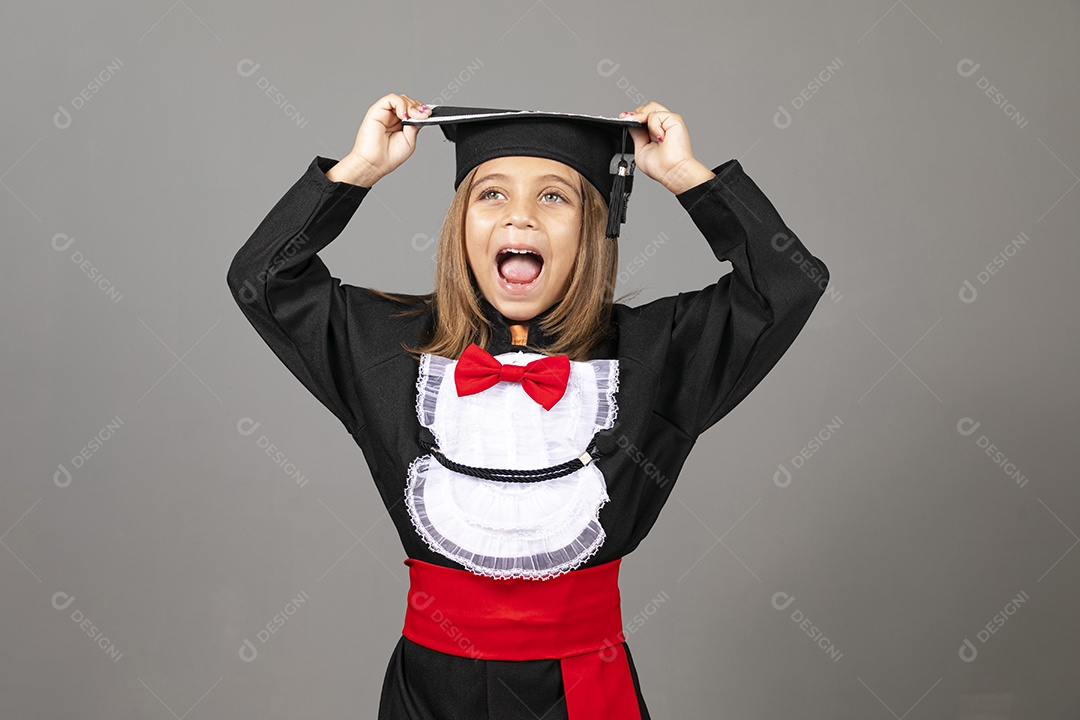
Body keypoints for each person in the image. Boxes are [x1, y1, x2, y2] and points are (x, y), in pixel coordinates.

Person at [226, 92, 830, 720]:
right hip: (428, 697)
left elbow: (788, 284)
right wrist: (359, 169)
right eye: (491, 194)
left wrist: (686, 178)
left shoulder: (656, 355)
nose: (519, 220)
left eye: (553, 196)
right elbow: (260, 279)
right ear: (460, 222)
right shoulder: (387, 347)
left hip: (582, 694)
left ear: (593, 229)